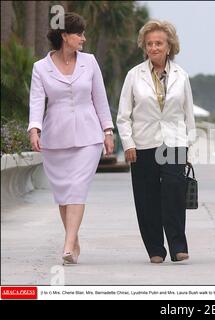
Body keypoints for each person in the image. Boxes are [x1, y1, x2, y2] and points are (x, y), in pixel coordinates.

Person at [28, 13, 114, 265]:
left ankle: (66, 244)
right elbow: (36, 101)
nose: (84, 39)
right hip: (55, 138)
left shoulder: (90, 62)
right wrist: (34, 129)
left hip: (89, 137)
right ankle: (73, 239)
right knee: (64, 193)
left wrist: (107, 131)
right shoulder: (40, 67)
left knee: (77, 188)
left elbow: (100, 98)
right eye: (79, 34)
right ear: (65, 36)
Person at [117, 20, 195, 264]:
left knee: (174, 192)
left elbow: (188, 115)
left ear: (169, 46)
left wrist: (188, 146)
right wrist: (128, 143)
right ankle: (155, 249)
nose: (154, 48)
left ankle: (178, 246)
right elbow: (123, 115)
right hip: (143, 144)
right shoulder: (134, 75)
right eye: (149, 44)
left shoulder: (181, 76)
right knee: (146, 196)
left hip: (174, 143)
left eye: (159, 43)